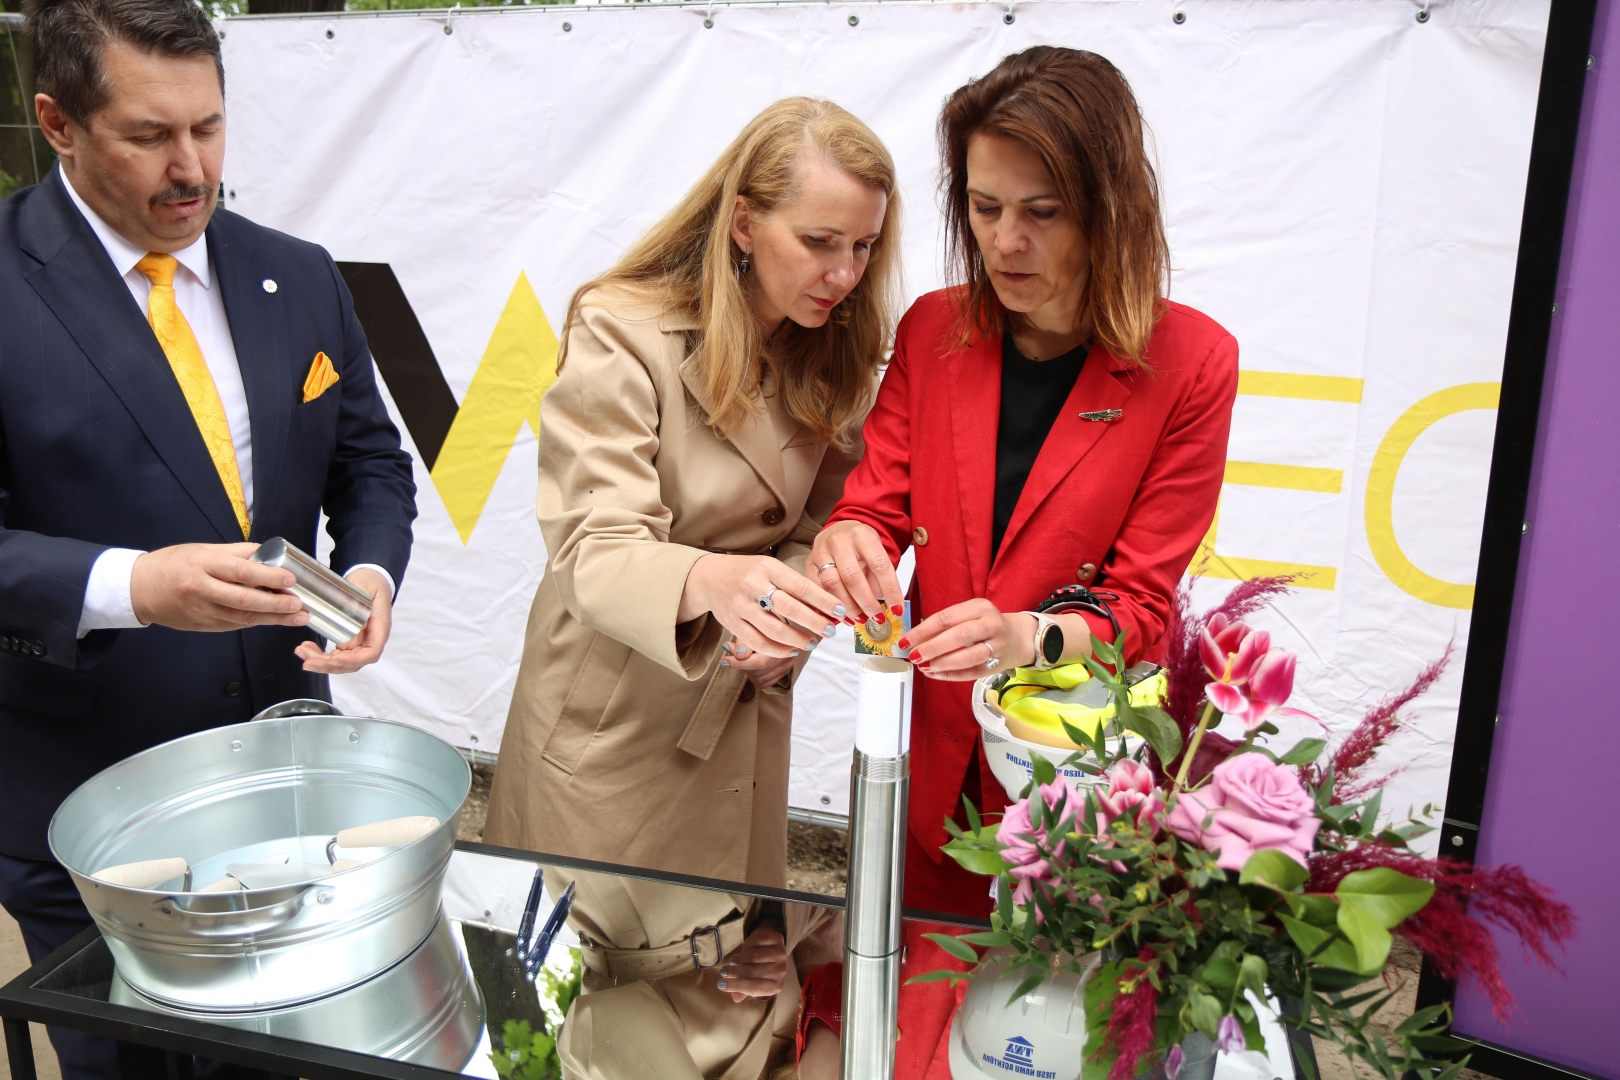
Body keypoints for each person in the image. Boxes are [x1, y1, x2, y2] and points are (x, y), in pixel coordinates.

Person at [0, 0, 416, 1075]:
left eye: (210, 126)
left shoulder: (299, 272)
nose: (192, 169)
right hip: (90, 809)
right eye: (149, 136)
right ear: (57, 123)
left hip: (289, 779)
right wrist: (131, 586)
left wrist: (370, 574)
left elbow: (370, 463)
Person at [483, 96, 897, 1078]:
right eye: (820, 242)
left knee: (725, 983)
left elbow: (820, 527)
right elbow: (593, 545)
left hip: (741, 700)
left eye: (865, 247)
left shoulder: (835, 352)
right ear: (743, 222)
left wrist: (791, 616)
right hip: (612, 710)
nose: (845, 274)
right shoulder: (621, 326)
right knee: (552, 1008)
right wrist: (719, 580)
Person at [811, 46, 1239, 922]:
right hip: (929, 775)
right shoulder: (932, 329)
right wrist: (848, 537)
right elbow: (873, 506)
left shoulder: (1193, 362)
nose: (1005, 242)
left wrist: (1024, 637)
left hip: (1076, 781)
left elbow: (1140, 608)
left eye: (1042, 212)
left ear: (1111, 209)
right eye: (984, 207)